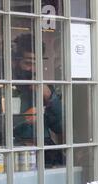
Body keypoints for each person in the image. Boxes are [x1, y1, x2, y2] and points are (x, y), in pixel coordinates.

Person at [12, 33, 64, 167]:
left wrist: (50, 98)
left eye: (36, 63)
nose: (33, 69)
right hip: (16, 150)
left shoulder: (44, 87)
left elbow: (61, 127)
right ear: (15, 62)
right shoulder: (4, 86)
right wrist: (24, 119)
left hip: (44, 150)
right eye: (28, 63)